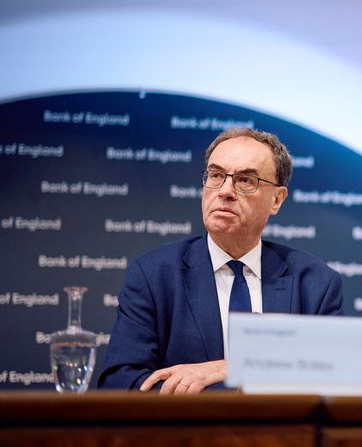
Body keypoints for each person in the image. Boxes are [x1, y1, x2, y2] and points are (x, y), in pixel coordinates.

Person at [98, 128, 343, 393]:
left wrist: (232, 368)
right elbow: (120, 383)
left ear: (277, 200)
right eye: (216, 175)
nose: (225, 191)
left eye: (246, 180)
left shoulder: (316, 283)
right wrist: (230, 386)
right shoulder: (153, 275)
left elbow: (337, 379)